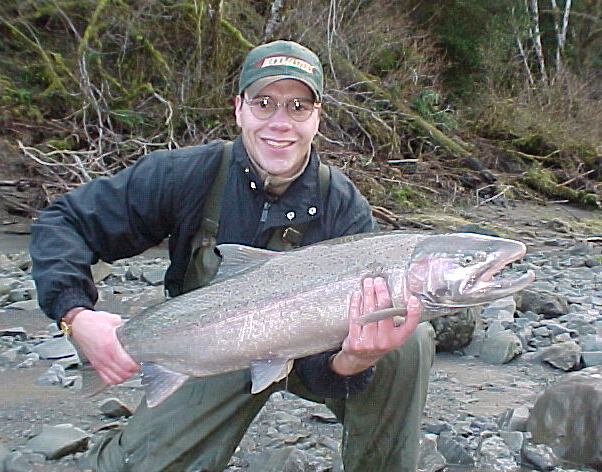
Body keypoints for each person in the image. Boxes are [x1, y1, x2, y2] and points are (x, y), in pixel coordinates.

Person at [30, 40, 435, 472]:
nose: (280, 123)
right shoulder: (185, 175)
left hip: (310, 354)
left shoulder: (342, 205)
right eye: (264, 104)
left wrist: (353, 360)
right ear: (239, 108)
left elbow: (326, 370)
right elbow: (63, 223)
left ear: (316, 117)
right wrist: (76, 316)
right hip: (209, 348)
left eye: (298, 106)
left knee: (406, 338)